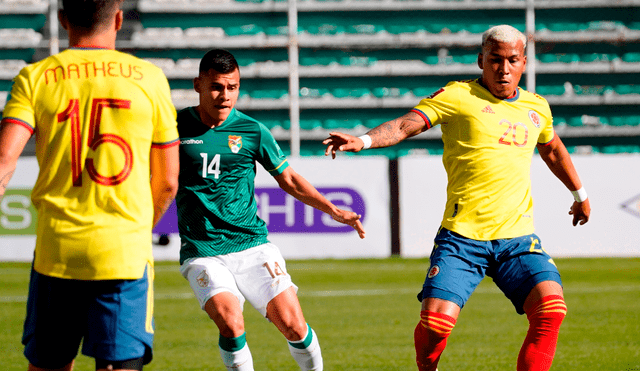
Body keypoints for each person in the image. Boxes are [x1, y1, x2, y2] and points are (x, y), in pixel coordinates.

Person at [323, 25, 590, 371]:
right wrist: (364, 140)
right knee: (436, 326)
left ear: (524, 62)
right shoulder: (457, 96)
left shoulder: (536, 108)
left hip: (518, 239)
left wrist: (579, 193)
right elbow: (407, 125)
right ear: (481, 60)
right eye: (495, 59)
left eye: (512, 60)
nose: (503, 68)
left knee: (551, 309)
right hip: (463, 239)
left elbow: (552, 149)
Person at [0, 0, 180, 370]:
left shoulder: (35, 77)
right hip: (124, 254)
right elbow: (167, 182)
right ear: (118, 19)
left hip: (56, 251)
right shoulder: (149, 78)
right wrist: (136, 228)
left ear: (63, 19)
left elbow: (4, 162)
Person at [176, 49, 365, 371]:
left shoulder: (252, 131)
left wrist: (333, 209)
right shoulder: (172, 126)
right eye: (217, 87)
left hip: (252, 244)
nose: (225, 95)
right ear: (198, 84)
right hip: (202, 249)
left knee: (293, 326)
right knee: (231, 323)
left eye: (232, 87)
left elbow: (288, 179)